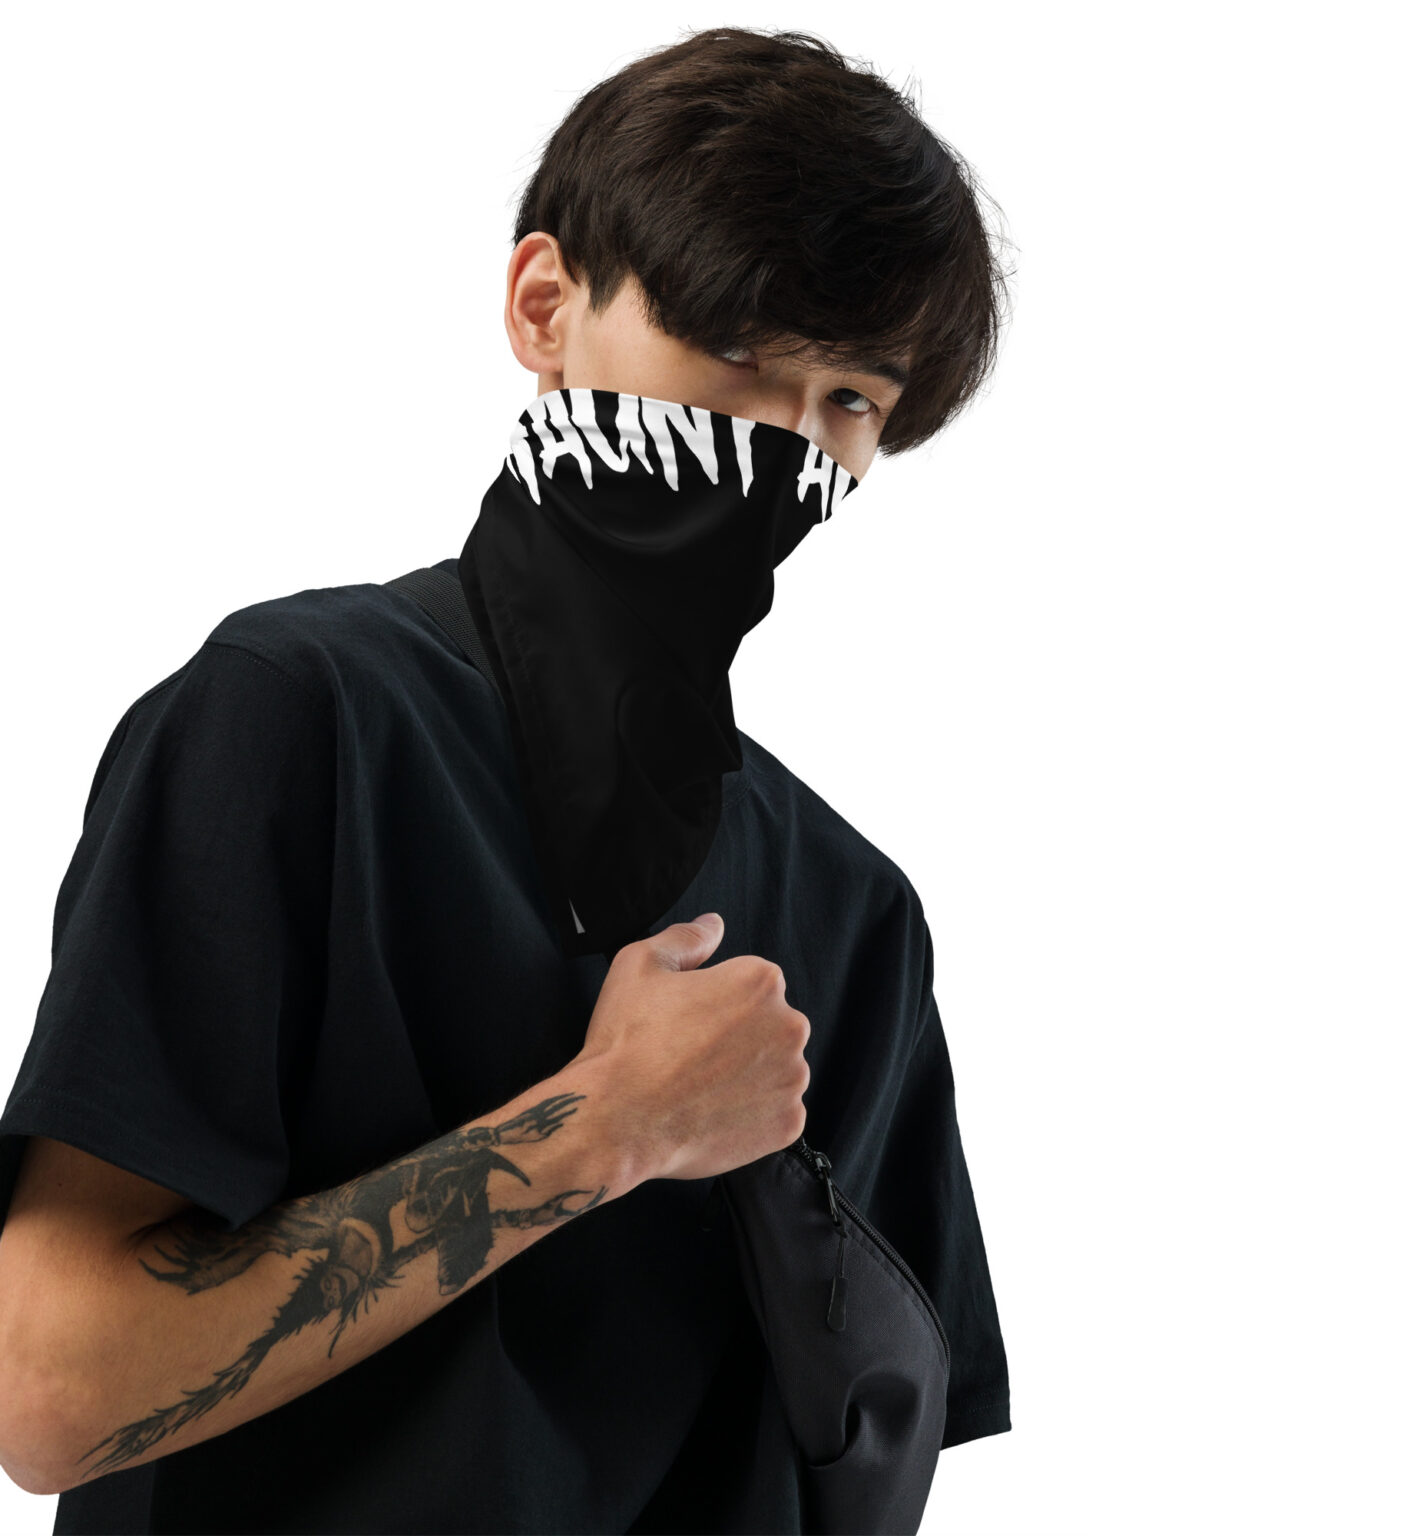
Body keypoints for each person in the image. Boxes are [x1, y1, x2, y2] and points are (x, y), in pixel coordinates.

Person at [0, 25, 1014, 1535]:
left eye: (851, 401)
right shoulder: (300, 723)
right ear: (546, 306)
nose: (783, 446)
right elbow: (49, 1389)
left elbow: (861, 1469)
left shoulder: (856, 914)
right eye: (738, 354)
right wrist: (602, 1129)